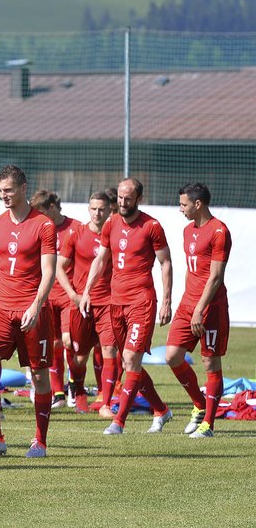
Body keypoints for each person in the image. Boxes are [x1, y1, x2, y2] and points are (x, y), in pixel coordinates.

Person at [0, 165, 56, 459]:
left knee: (40, 376)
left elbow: (49, 272)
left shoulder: (43, 224)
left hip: (33, 311)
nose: (4, 195)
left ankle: (40, 442)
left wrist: (36, 305)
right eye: (1, 190)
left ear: (23, 188)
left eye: (9, 190)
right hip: (1, 308)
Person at [80, 177, 173, 435]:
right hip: (115, 302)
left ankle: (118, 421)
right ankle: (162, 410)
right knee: (129, 362)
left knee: (131, 359)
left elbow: (166, 263)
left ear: (139, 199)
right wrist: (87, 290)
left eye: (128, 198)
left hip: (141, 302)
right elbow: (101, 259)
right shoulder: (110, 224)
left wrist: (166, 301)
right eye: (119, 197)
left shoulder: (152, 226)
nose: (122, 202)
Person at [164, 183, 231, 438]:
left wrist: (200, 309)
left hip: (210, 307)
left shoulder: (219, 231)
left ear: (198, 204)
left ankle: (209, 425)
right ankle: (200, 404)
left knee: (210, 362)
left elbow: (215, 277)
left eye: (184, 204)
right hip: (187, 303)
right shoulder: (186, 230)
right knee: (172, 356)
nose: (180, 209)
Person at [55, 192, 114, 414]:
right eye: (94, 208)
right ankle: (78, 390)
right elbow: (60, 267)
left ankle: (105, 403)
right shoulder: (76, 234)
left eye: (102, 209)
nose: (97, 213)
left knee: (109, 350)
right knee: (79, 356)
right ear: (88, 209)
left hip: (108, 303)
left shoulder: (115, 234)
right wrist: (72, 294)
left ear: (109, 210)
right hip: (81, 304)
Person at [31, 190, 82, 408]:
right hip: (46, 295)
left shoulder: (76, 227)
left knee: (69, 341)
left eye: (41, 211)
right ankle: (58, 393)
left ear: (52, 207)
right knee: (52, 344)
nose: (38, 216)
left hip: (68, 295)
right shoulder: (40, 228)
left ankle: (73, 386)